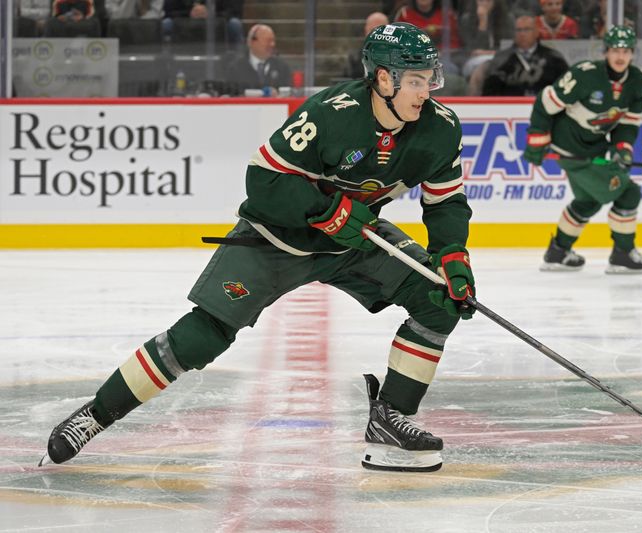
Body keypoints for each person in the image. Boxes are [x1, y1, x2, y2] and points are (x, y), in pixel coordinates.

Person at [39, 22, 475, 474]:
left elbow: (445, 202)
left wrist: (452, 255)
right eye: (417, 80)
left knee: (437, 296)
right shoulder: (331, 113)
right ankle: (95, 414)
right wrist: (326, 211)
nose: (427, 91)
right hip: (277, 237)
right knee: (202, 335)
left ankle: (390, 417)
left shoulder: (440, 128)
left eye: (430, 78)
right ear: (384, 78)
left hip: (353, 241)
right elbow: (262, 179)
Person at [524, 25, 642, 274]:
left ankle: (558, 252)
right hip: (570, 148)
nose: (620, 56)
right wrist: (537, 138)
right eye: (615, 49)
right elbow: (545, 102)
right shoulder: (586, 75)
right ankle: (623, 254)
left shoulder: (637, 82)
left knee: (588, 201)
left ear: (633, 53)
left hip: (594, 148)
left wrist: (622, 149)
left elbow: (626, 125)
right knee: (628, 193)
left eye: (626, 50)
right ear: (606, 51)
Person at [481, 14, 568, 96]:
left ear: (536, 32)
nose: (522, 34)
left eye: (527, 29)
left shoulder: (554, 58)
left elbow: (566, 89)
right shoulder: (501, 59)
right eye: (519, 30)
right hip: (509, 108)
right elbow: (489, 93)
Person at [458, 0, 515, 95]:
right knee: (481, 69)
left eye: (488, 1)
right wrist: (482, 23)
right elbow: (472, 50)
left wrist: (489, 53)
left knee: (487, 68)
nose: (484, 3)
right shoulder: (466, 20)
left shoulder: (507, 19)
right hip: (473, 60)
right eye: (480, 1)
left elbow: (507, 48)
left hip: (500, 58)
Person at [225, 23, 292, 95]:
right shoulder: (235, 68)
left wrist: (278, 95)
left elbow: (290, 94)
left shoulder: (282, 67)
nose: (272, 44)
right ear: (251, 42)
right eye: (268, 40)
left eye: (273, 41)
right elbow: (230, 95)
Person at [343, 11, 390, 80]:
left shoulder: (400, 58)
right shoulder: (353, 58)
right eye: (372, 30)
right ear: (366, 31)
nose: (375, 35)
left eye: (380, 31)